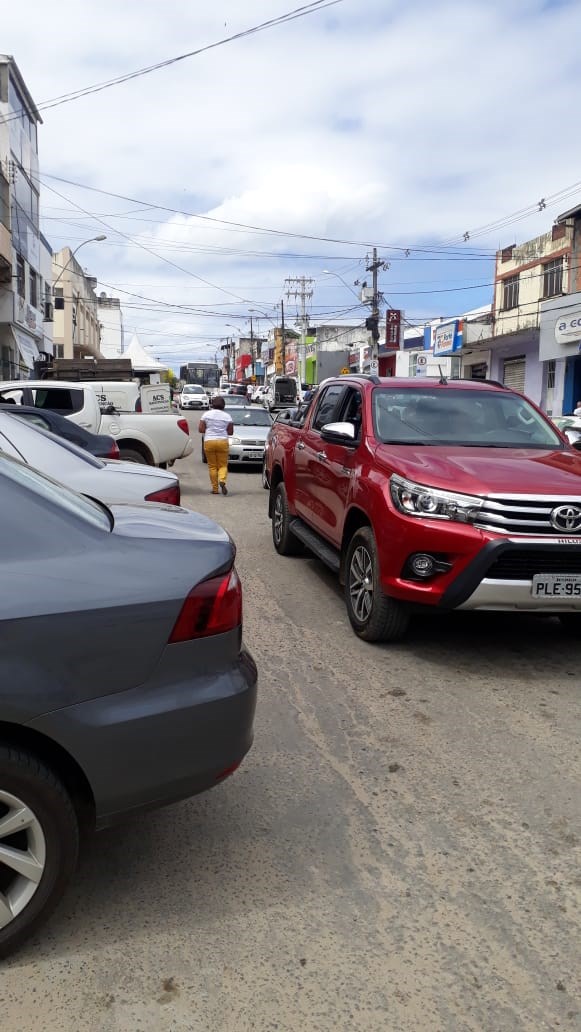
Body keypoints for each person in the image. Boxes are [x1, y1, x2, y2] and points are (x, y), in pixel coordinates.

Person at [198, 396, 233, 495]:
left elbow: (200, 429)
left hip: (209, 441)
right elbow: (230, 432)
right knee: (223, 465)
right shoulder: (227, 416)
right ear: (223, 405)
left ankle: (215, 489)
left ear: (212, 404)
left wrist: (210, 430)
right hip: (222, 442)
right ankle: (222, 480)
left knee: (212, 466)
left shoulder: (206, 415)